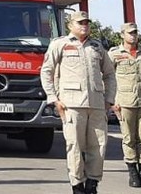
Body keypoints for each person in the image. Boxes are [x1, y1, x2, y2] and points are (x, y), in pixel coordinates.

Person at [41, 11, 117, 194]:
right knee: (74, 146)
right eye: (80, 22)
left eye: (86, 22)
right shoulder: (60, 44)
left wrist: (109, 100)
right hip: (71, 105)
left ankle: (92, 183)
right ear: (70, 26)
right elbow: (46, 71)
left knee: (98, 146)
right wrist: (53, 99)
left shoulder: (97, 47)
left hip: (97, 105)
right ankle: (77, 185)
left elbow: (109, 75)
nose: (84, 25)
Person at [108, 22, 141, 188]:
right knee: (129, 138)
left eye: (135, 32)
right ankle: (132, 172)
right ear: (122, 35)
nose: (133, 35)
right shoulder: (115, 54)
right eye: (130, 33)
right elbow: (107, 78)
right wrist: (112, 101)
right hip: (124, 102)